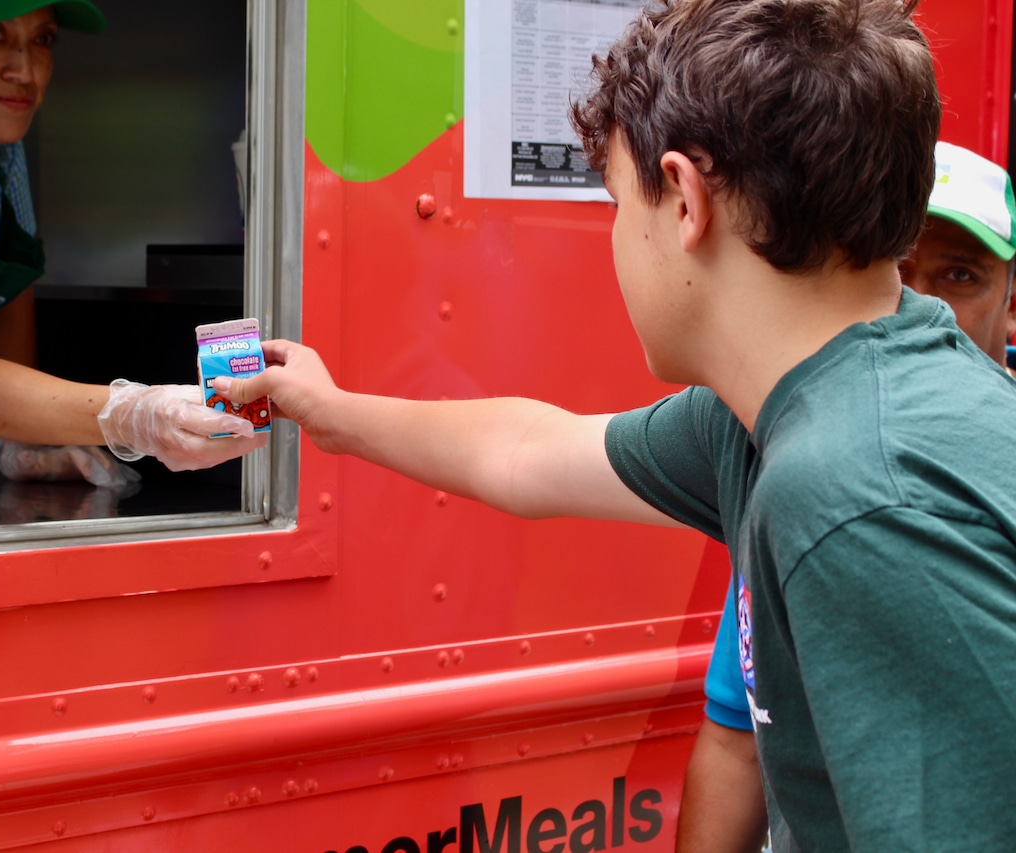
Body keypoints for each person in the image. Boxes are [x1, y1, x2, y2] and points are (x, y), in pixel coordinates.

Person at [215, 1, 1016, 849]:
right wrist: (332, 413)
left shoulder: (855, 497)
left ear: (684, 200)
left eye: (615, 201)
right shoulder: (781, 411)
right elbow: (531, 452)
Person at [676, 138, 1016, 853]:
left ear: (1011, 303)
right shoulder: (812, 459)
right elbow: (738, 734)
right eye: (893, 266)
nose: (920, 299)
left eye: (961, 273)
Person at [0, 0, 265, 490]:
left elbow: (10, 318)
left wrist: (24, 445)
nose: (25, 71)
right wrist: (132, 413)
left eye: (43, 38)